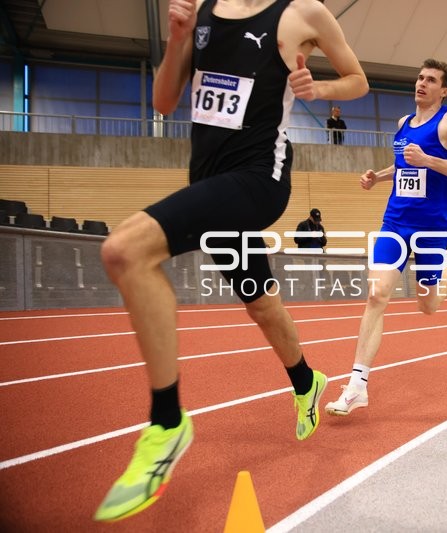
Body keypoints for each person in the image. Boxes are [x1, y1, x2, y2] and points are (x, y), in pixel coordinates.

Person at [93, 0, 368, 522]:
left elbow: (358, 80)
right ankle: (307, 381)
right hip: (210, 183)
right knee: (261, 305)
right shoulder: (199, 8)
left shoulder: (303, 13)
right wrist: (178, 36)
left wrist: (320, 89)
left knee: (124, 250)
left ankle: (167, 422)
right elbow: (163, 101)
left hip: (259, 179)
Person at [324, 58, 447, 416]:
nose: (421, 83)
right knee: (377, 294)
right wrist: (377, 177)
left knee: (428, 307)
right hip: (395, 222)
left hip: (432, 228)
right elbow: (404, 164)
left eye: (431, 80)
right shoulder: (403, 124)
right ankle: (357, 386)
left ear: (444, 90)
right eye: (419, 77)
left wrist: (429, 160)